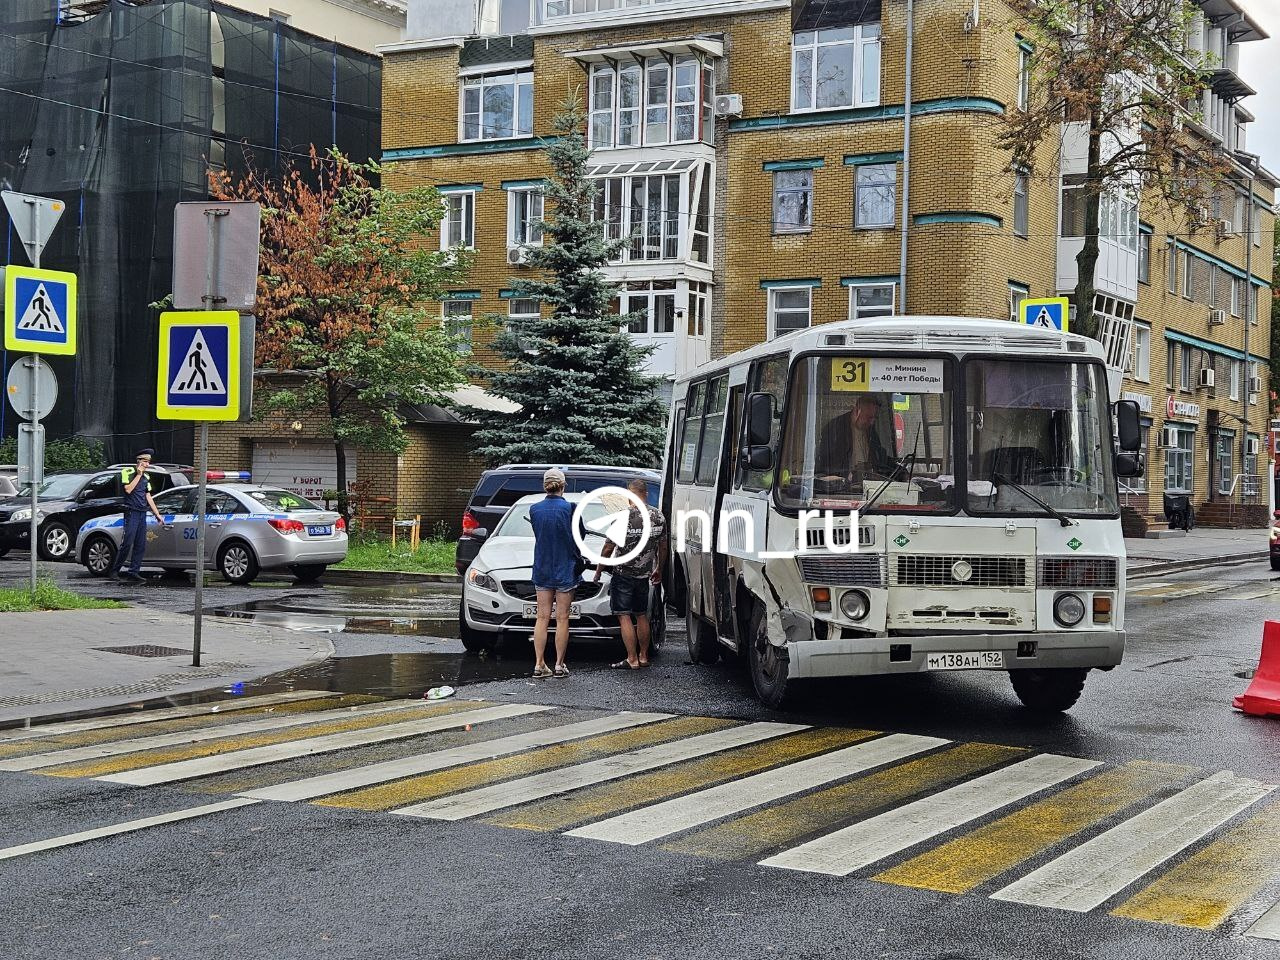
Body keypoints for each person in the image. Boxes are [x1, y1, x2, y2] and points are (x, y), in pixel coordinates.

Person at [595, 478, 667, 671]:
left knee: (624, 615)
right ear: (646, 494)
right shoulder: (658, 516)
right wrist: (659, 568)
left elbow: (608, 547)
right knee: (642, 614)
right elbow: (663, 546)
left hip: (623, 573)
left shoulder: (623, 517)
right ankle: (643, 656)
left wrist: (599, 570)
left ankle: (631, 658)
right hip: (644, 575)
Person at [528, 468, 576, 678]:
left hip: (542, 566)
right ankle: (559, 664)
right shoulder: (571, 509)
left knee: (542, 616)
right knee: (562, 618)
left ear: (544, 485)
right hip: (565, 568)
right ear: (563, 485)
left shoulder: (534, 509)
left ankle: (539, 664)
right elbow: (578, 537)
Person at [816, 393, 899, 485]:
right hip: (842, 488)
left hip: (868, 485)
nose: (872, 422)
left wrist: (898, 470)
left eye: (874, 418)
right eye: (869, 417)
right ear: (857, 411)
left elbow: (880, 458)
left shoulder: (871, 431)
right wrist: (847, 474)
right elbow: (826, 462)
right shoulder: (835, 429)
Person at [112, 448, 164, 583]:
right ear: (139, 461)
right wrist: (138, 475)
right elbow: (128, 489)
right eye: (145, 462)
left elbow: (148, 496)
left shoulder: (147, 477)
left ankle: (133, 572)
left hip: (142, 513)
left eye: (148, 462)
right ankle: (114, 570)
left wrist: (157, 514)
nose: (147, 465)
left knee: (140, 544)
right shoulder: (127, 472)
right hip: (131, 512)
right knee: (127, 542)